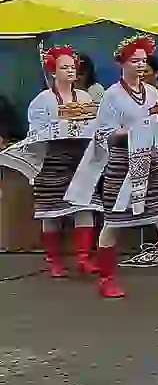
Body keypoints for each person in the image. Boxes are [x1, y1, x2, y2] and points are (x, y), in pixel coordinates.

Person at [66, 34, 158, 299]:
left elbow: (157, 124)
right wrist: (135, 131)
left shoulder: (151, 93)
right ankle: (107, 278)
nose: (140, 65)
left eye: (143, 61)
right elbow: (106, 135)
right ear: (122, 63)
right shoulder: (112, 96)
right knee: (114, 222)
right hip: (121, 163)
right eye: (135, 61)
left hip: (150, 161)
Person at [17, 46, 99, 277]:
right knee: (51, 213)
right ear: (53, 72)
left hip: (79, 157)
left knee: (86, 207)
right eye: (65, 67)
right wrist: (60, 125)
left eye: (73, 67)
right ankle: (53, 260)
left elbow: (94, 124)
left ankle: (84, 257)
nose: (71, 71)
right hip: (51, 159)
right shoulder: (41, 101)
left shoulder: (84, 97)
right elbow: (35, 133)